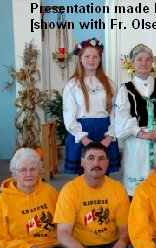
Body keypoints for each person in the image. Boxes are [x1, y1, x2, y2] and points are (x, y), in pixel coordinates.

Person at [54, 142, 140, 248]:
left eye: (101, 158)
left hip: (111, 245)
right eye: (91, 158)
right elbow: (63, 233)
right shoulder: (70, 191)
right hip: (83, 244)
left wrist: (121, 245)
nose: (96, 163)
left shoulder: (118, 189)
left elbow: (126, 229)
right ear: (82, 162)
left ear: (107, 163)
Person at [0, 148, 68, 248]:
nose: (28, 174)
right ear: (14, 173)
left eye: (33, 169)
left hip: (49, 245)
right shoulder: (3, 200)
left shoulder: (49, 192)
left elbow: (62, 220)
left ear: (39, 171)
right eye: (23, 170)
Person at [115, 43, 156, 199]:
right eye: (140, 59)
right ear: (132, 63)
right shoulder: (125, 89)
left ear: (152, 63)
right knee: (139, 179)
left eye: (148, 59)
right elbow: (121, 118)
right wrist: (142, 133)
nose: (144, 63)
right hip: (138, 142)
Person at [63, 37, 120, 174]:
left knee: (102, 172)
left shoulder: (109, 84)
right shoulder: (73, 85)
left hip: (104, 131)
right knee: (83, 174)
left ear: (100, 59)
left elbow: (116, 112)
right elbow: (69, 114)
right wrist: (83, 138)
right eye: (87, 56)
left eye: (95, 56)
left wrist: (109, 137)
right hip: (83, 131)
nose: (91, 60)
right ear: (80, 59)